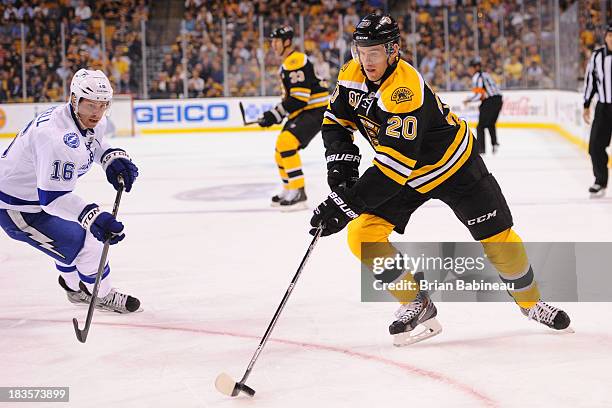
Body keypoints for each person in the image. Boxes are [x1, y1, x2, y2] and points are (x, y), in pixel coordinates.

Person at [309, 13, 571, 346]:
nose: (366, 59)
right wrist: (340, 161)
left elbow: (392, 169)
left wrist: (346, 204)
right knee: (363, 235)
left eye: (374, 52)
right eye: (360, 50)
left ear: (393, 50)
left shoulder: (404, 90)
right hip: (408, 175)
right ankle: (416, 302)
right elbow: (335, 119)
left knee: (499, 239)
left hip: (454, 167)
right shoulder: (352, 72)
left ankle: (531, 303)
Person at [0, 69, 141, 313]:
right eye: (90, 106)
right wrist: (93, 215)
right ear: (74, 100)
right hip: (17, 208)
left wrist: (110, 158)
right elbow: (53, 199)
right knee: (91, 244)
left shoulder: (83, 119)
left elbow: (93, 143)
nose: (96, 114)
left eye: (103, 105)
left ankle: (74, 287)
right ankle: (102, 293)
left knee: (71, 243)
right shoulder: (54, 138)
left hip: (35, 197)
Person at [258, 26, 330, 210]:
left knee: (286, 144)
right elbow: (295, 100)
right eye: (272, 41)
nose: (273, 45)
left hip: (315, 110)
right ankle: (289, 189)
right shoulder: (289, 62)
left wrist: (274, 114)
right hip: (305, 110)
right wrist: (274, 115)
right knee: (279, 150)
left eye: (276, 41)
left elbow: (299, 98)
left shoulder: (296, 60)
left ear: (287, 42)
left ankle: (299, 193)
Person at [583, 23, 612, 198]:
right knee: (595, 146)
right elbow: (590, 82)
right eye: (609, 35)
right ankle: (600, 181)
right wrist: (586, 105)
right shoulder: (597, 56)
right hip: (603, 107)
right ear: (605, 37)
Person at [463, 58, 503, 154]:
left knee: (480, 126)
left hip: (490, 100)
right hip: (498, 100)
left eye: (470, 68)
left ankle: (481, 149)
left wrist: (468, 100)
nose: (469, 70)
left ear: (476, 67)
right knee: (490, 123)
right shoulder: (485, 74)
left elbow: (479, 94)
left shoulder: (477, 76)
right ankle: (494, 144)